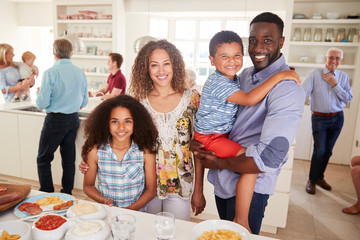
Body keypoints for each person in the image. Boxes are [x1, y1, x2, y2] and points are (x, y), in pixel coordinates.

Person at [191, 12, 305, 234]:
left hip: (250, 188)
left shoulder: (288, 88)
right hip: (223, 178)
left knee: (241, 233)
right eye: (253, 40)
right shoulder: (243, 75)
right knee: (225, 235)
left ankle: (242, 218)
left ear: (281, 42)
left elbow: (267, 158)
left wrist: (219, 162)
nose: (258, 47)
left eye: (267, 40)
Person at [79, 39, 204, 221]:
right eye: (154, 65)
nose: (161, 71)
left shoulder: (192, 99)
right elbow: (119, 135)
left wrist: (199, 190)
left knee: (176, 234)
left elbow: (199, 149)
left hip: (180, 185)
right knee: (147, 233)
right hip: (144, 186)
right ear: (146, 68)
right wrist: (88, 159)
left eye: (166, 64)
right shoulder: (138, 101)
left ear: (175, 65)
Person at [82, 95, 157, 210]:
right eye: (114, 121)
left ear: (136, 123)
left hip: (137, 214)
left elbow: (151, 190)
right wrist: (104, 200)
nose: (121, 127)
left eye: (127, 121)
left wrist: (131, 209)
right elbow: (88, 186)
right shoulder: (95, 152)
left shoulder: (145, 152)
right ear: (106, 123)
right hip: (107, 211)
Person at [36, 38, 89, 195]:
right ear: (71, 53)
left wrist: (40, 94)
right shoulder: (80, 72)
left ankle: (46, 192)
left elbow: (41, 103)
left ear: (54, 52)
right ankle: (67, 193)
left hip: (55, 120)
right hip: (73, 119)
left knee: (44, 159)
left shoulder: (50, 73)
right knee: (68, 160)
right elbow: (84, 100)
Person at [303, 47, 353, 195]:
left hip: (337, 118)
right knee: (319, 151)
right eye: (331, 57)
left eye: (337, 58)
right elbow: (302, 92)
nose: (334, 61)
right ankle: (311, 180)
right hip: (319, 118)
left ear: (341, 61)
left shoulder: (343, 77)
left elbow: (348, 98)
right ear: (326, 59)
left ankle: (320, 177)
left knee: (328, 152)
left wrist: (334, 84)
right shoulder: (314, 74)